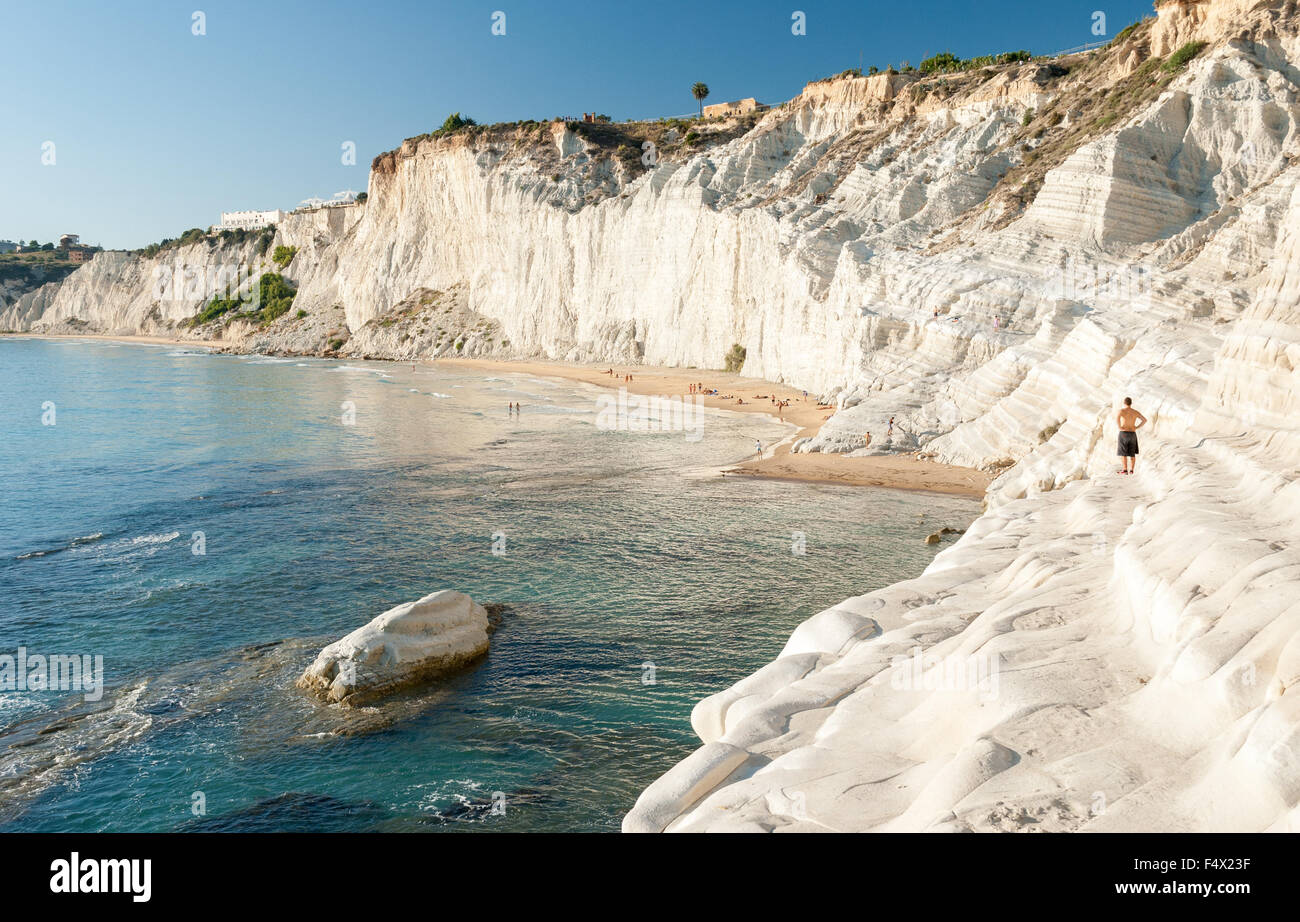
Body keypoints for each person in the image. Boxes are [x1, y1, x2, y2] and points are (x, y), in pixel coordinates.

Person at [1116, 397, 1147, 474]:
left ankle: (1125, 470)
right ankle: (1132, 470)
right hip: (1132, 433)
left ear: (1124, 403)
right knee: (1132, 453)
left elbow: (1117, 418)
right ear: (1131, 403)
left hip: (1124, 433)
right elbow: (1144, 420)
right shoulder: (1135, 412)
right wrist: (1137, 427)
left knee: (1124, 453)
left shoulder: (1122, 411)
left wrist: (1120, 427)